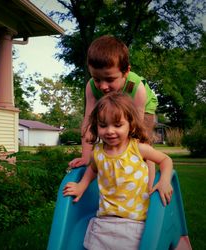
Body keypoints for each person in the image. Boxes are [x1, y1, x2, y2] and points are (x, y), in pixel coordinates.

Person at [63, 92, 173, 250]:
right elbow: (93, 169)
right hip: (105, 218)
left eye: (117, 125)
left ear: (131, 124)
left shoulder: (138, 148)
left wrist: (164, 181)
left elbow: (165, 160)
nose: (109, 131)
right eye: (103, 125)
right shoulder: (98, 152)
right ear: (96, 126)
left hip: (135, 219)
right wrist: (82, 185)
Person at [68, 35, 158, 188]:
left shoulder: (136, 89)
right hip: (112, 106)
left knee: (143, 144)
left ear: (126, 72)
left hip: (141, 108)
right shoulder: (91, 87)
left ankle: (149, 188)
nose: (102, 86)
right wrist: (86, 157)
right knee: (110, 141)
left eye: (109, 79)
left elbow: (136, 129)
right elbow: (88, 122)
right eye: (97, 79)